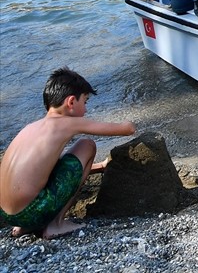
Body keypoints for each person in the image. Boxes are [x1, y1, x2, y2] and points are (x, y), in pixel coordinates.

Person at [0, 68, 136, 239]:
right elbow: (127, 129)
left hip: (8, 215)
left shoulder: (30, 128)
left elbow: (47, 171)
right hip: (33, 210)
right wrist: (130, 120)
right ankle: (55, 224)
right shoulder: (67, 123)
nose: (85, 110)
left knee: (59, 160)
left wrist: (100, 166)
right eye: (85, 102)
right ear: (71, 102)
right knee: (86, 145)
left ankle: (24, 227)